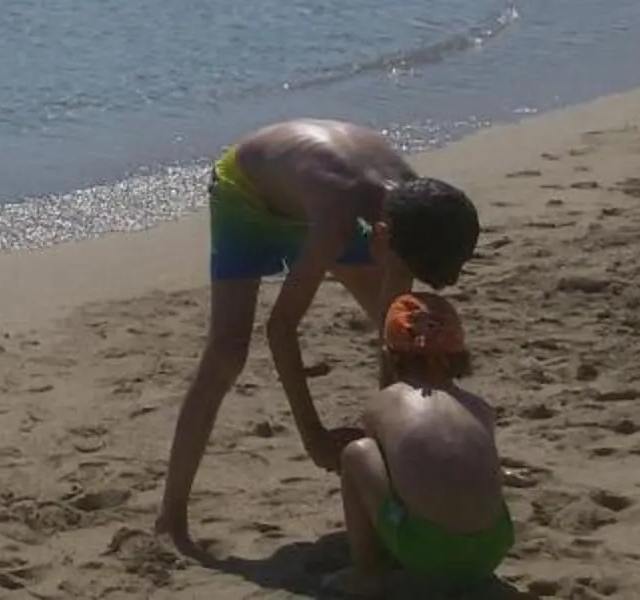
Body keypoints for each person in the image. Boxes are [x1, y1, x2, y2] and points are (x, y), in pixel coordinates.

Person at [155, 119, 482, 551]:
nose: (399, 276)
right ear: (380, 236)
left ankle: (432, 458)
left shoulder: (420, 207)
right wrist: (313, 435)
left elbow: (393, 330)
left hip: (324, 199)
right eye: (401, 266)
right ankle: (171, 515)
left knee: (403, 332)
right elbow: (281, 327)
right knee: (227, 351)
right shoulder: (340, 219)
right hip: (249, 195)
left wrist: (395, 437)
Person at [337, 293, 512, 591]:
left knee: (357, 453)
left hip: (429, 553)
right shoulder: (479, 407)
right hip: (494, 546)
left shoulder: (382, 405)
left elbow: (391, 472)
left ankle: (367, 571)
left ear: (389, 355)